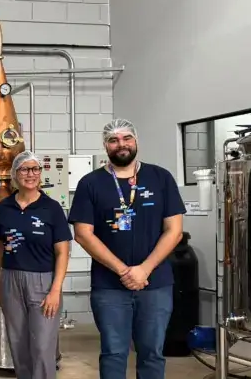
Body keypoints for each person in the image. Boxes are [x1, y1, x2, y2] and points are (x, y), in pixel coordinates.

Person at [68, 119, 185, 379]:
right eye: (113, 140)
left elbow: (174, 231)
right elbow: (83, 234)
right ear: (105, 146)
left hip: (155, 284)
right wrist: (124, 271)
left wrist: (144, 270)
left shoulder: (160, 178)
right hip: (109, 286)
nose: (121, 144)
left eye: (127, 138)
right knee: (113, 352)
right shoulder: (90, 183)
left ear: (136, 142)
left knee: (152, 352)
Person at [0, 151, 72, 379]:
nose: (30, 174)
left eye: (35, 169)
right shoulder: (4, 207)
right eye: (24, 169)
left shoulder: (51, 208)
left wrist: (55, 290)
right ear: (15, 174)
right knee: (18, 344)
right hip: (10, 279)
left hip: (43, 281)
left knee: (42, 347)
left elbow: (63, 251)